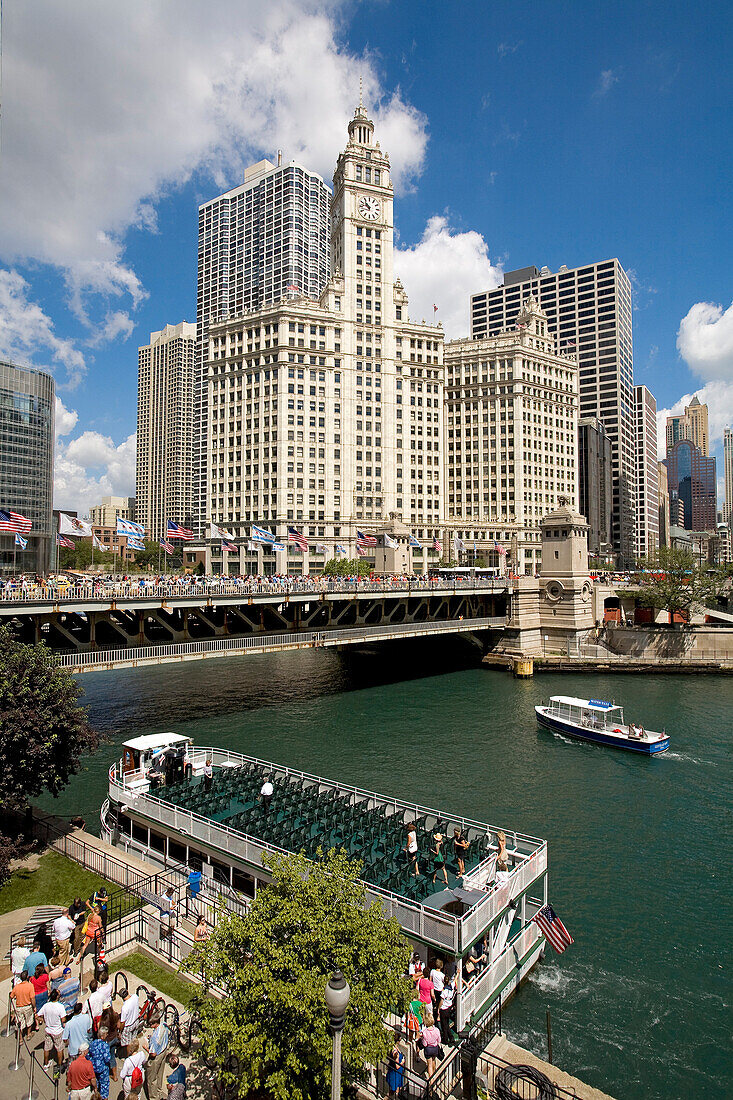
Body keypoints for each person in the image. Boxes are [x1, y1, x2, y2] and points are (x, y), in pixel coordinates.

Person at [38, 989, 67, 1070]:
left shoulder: (46, 1006)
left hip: (48, 1030)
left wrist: (43, 1020)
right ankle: (59, 1064)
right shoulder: (60, 1007)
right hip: (58, 1031)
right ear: (57, 997)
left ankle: (46, 1064)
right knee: (59, 1048)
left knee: (47, 1048)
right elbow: (63, 1019)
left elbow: (37, 1015)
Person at [88, 1025, 117, 1100]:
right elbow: (107, 1059)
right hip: (103, 1070)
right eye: (106, 1034)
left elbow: (88, 1056)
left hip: (94, 1069)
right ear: (103, 1036)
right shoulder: (105, 1045)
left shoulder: (93, 1043)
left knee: (95, 1086)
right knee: (104, 1088)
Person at [144, 1018, 170, 1100]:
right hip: (163, 1051)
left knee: (151, 1078)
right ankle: (159, 1091)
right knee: (159, 1074)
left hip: (156, 1057)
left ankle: (153, 1097)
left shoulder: (155, 1038)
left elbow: (153, 1054)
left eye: (151, 1024)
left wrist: (145, 1048)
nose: (150, 1026)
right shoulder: (164, 1025)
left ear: (155, 1023)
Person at [10, 971, 36, 1037]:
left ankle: (20, 1039)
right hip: (27, 1006)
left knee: (20, 1023)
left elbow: (11, 996)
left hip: (19, 1007)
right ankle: (28, 1034)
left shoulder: (17, 987)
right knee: (29, 1020)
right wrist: (34, 1006)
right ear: (27, 977)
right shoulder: (30, 986)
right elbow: (32, 998)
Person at [420, 1012, 443, 1078]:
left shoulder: (425, 1032)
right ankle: (434, 1073)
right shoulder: (436, 1030)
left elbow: (424, 1044)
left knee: (429, 1064)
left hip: (428, 1049)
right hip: (435, 1048)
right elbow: (439, 1040)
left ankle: (431, 1080)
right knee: (433, 1060)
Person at [119, 987, 140, 1053]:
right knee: (133, 1040)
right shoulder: (135, 997)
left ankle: (129, 1055)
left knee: (127, 1044)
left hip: (128, 1026)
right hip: (136, 1022)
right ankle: (134, 1051)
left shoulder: (124, 1008)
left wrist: (120, 1031)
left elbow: (123, 1022)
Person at [438, 976, 456, 1046]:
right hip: (449, 1008)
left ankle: (445, 1040)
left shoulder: (444, 991)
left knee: (444, 1025)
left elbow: (441, 1001)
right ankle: (451, 1038)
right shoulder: (451, 987)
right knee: (447, 1024)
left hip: (444, 1009)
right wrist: (457, 973)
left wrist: (438, 1009)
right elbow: (454, 980)